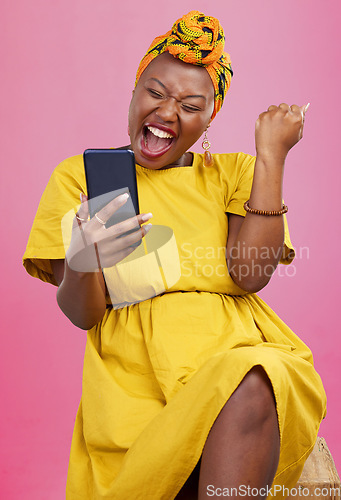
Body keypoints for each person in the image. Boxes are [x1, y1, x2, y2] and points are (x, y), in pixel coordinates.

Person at [23, 10, 326, 500]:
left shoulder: (232, 174)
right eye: (156, 92)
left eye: (190, 104)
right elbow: (83, 315)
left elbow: (249, 275)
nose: (167, 113)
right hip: (133, 389)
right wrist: (85, 259)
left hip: (234, 365)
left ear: (209, 119)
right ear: (134, 91)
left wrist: (271, 157)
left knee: (251, 376)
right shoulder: (76, 178)